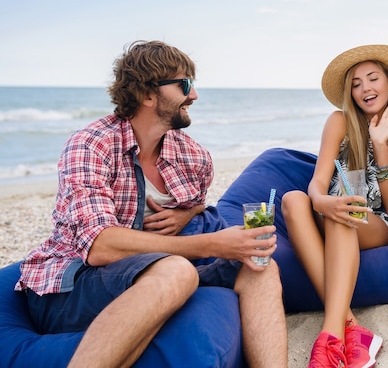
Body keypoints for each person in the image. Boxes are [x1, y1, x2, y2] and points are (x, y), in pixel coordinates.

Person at [15, 40, 288, 368]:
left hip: (149, 273)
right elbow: (100, 246)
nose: (195, 95)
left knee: (260, 266)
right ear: (146, 94)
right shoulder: (90, 146)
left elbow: (199, 202)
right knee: (177, 270)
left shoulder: (192, 155)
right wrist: (214, 244)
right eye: (184, 84)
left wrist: (188, 212)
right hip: (73, 283)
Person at [281, 45, 388, 367]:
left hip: (376, 223)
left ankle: (330, 336)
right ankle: (352, 327)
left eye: (372, 79)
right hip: (331, 211)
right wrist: (320, 199)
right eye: (356, 83)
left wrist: (381, 145)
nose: (365, 88)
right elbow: (318, 180)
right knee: (293, 199)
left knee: (347, 214)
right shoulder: (340, 122)